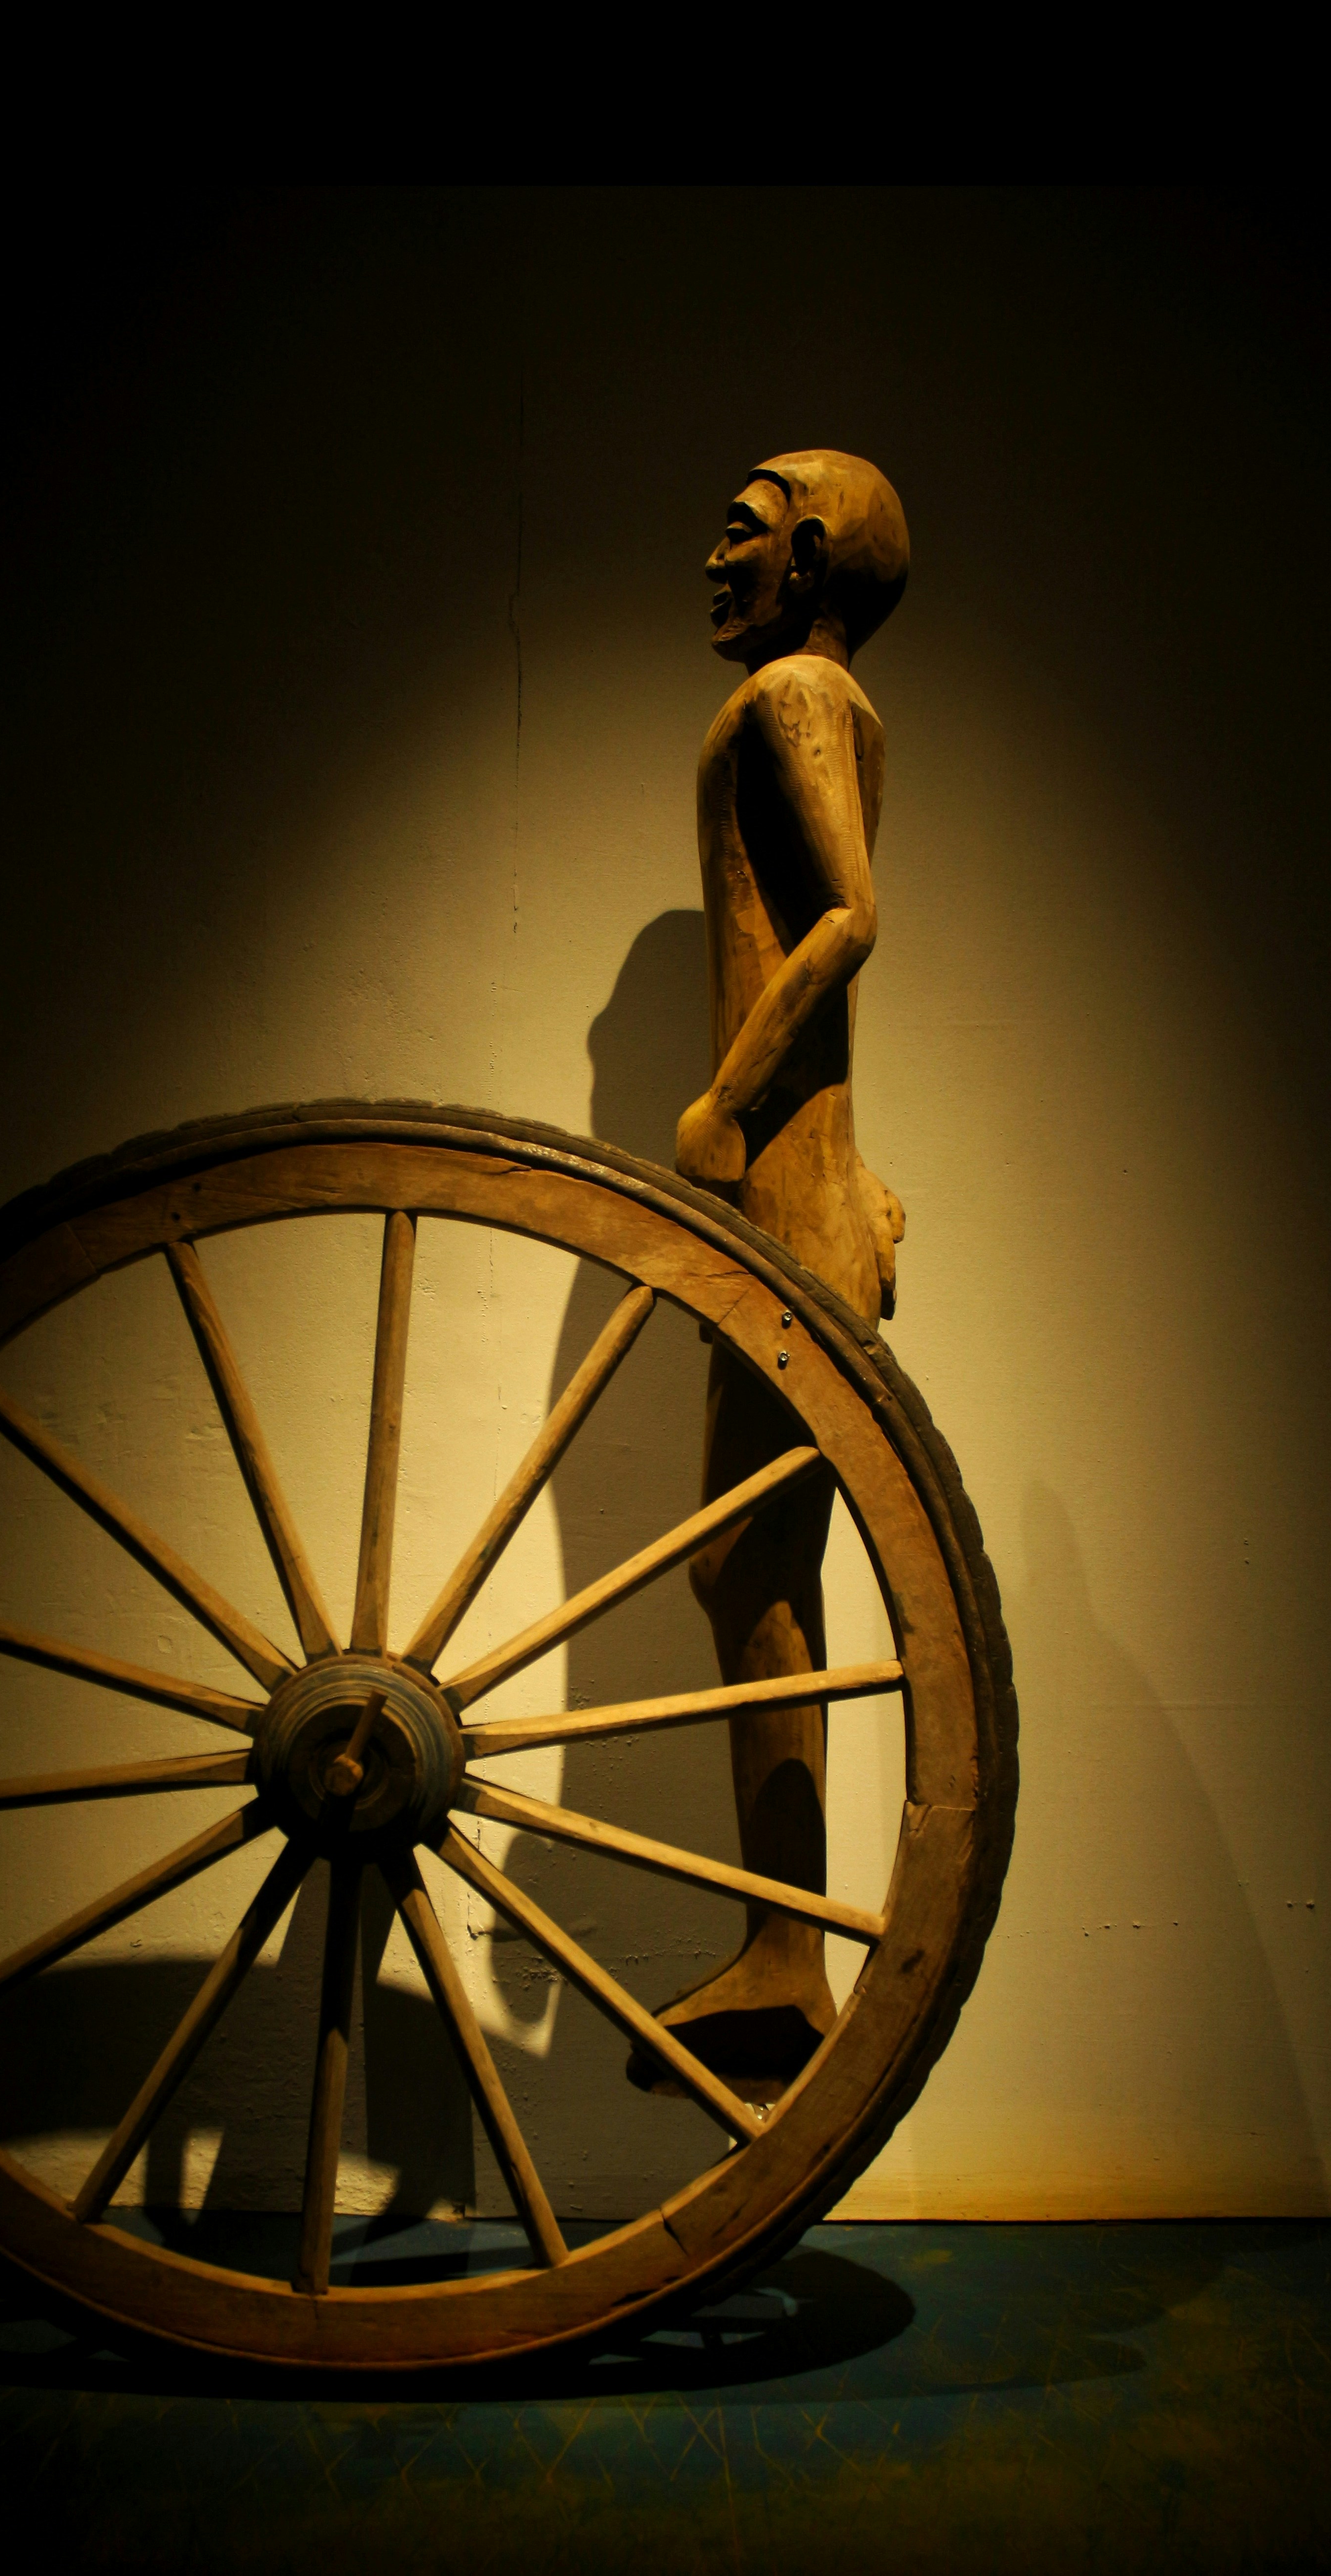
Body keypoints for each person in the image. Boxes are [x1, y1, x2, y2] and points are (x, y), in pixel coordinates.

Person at [631, 450, 910, 2101]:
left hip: (781, 1182)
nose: (712, 554)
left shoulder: (797, 693)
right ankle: (781, 1948)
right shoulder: (823, 700)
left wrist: (728, 1104)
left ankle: (787, 1950)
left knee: (751, 1567)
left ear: (806, 558)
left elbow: (848, 919)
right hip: (813, 1182)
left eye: (739, 528)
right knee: (752, 1571)